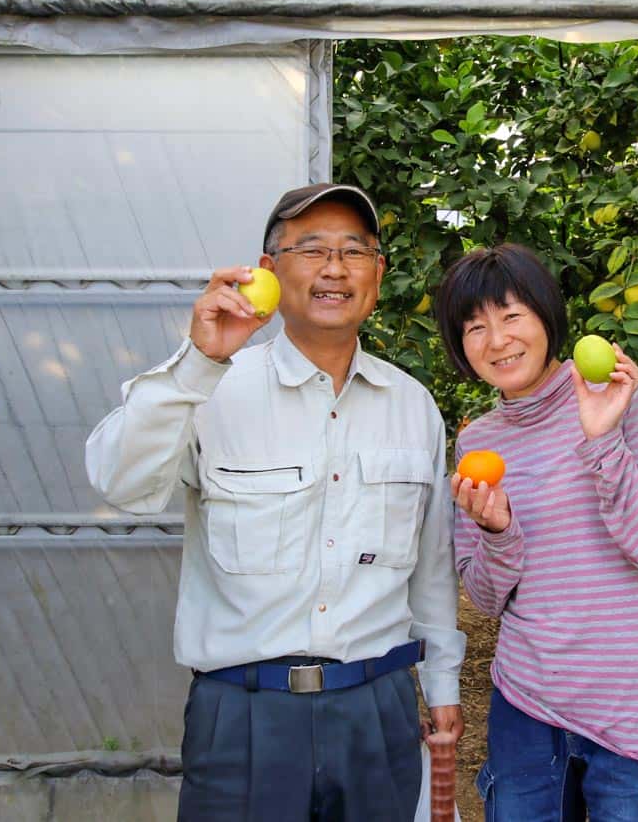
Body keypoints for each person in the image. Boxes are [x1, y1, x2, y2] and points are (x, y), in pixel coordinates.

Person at [85, 183, 465, 821]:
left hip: (376, 711)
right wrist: (196, 364)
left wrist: (443, 684)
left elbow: (430, 568)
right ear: (268, 271)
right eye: (311, 249)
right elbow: (121, 484)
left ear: (378, 273)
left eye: (355, 250)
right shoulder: (212, 387)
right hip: (243, 715)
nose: (334, 269)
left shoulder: (412, 407)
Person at [435, 243, 638, 821]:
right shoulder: (478, 442)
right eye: (475, 327)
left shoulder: (624, 396)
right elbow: (485, 598)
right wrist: (498, 530)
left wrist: (602, 439)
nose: (497, 339)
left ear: (545, 316)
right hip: (527, 707)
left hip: (633, 708)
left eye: (511, 316)